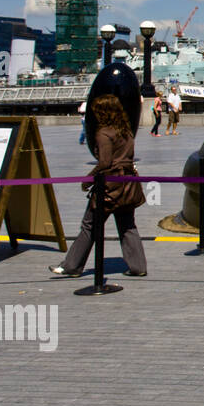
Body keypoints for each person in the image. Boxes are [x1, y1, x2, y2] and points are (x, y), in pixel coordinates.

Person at [49, 94, 148, 278]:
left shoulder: (103, 133)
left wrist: (87, 179)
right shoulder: (126, 131)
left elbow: (104, 162)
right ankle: (138, 266)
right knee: (127, 225)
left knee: (90, 224)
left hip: (109, 186)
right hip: (127, 183)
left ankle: (72, 265)